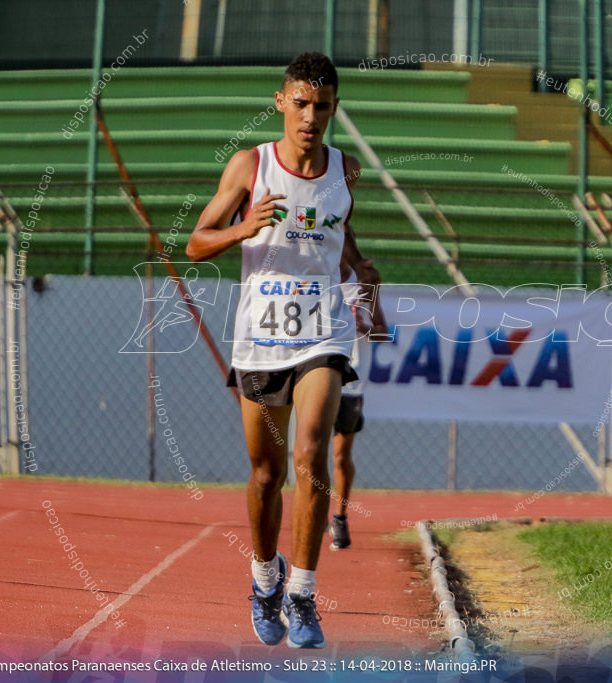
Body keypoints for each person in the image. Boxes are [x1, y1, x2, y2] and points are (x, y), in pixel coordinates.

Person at [186, 52, 378, 649]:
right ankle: (264, 580)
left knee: (310, 456)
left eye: (322, 106)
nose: (310, 116)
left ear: (334, 109)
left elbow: (336, 229)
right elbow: (195, 243)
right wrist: (244, 228)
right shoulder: (251, 165)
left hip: (323, 333)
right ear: (281, 102)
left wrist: (359, 268)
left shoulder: (346, 171)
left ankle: (302, 592)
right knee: (267, 474)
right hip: (261, 338)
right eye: (300, 103)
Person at [328, 277, 388, 550]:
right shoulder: (318, 276)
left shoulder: (365, 288)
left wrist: (364, 327)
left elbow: (383, 333)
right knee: (310, 451)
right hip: (318, 376)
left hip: (352, 383)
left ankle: (339, 518)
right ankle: (313, 513)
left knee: (340, 455)